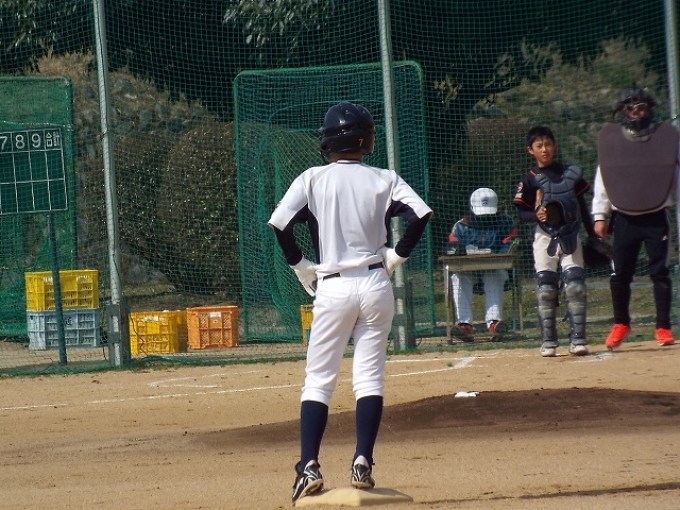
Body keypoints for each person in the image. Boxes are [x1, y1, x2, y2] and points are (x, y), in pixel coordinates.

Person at [268, 102, 432, 504]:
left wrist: (300, 265)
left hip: (333, 286)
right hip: (375, 284)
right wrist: (396, 256)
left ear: (327, 142)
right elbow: (421, 215)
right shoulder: (384, 178)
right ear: (366, 140)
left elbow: (280, 224)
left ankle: (309, 466)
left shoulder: (312, 178)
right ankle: (362, 460)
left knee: (319, 380)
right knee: (369, 379)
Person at [592, 88, 679, 349]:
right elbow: (604, 180)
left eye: (640, 107)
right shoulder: (614, 143)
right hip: (624, 218)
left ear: (649, 109)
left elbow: (674, 177)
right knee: (620, 273)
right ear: (623, 111)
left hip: (656, 216)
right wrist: (600, 216)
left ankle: (663, 327)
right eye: (630, 108)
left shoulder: (664, 141)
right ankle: (621, 323)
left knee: (659, 272)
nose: (636, 112)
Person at [513, 126, 594, 357]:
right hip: (544, 236)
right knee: (546, 290)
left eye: (548, 144)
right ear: (530, 150)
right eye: (539, 146)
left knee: (575, 286)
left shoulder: (570, 174)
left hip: (570, 233)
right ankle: (548, 342)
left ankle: (578, 340)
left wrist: (592, 234)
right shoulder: (529, 179)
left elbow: (582, 206)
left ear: (554, 146)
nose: (544, 149)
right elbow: (521, 213)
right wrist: (535, 214)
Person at [446, 187, 518, 341]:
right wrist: (460, 251)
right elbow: (451, 248)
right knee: (458, 277)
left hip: (496, 269)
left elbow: (510, 245)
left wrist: (494, 255)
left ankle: (494, 323)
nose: (485, 217)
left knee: (494, 275)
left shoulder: (506, 223)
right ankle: (464, 324)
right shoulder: (461, 226)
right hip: (468, 271)